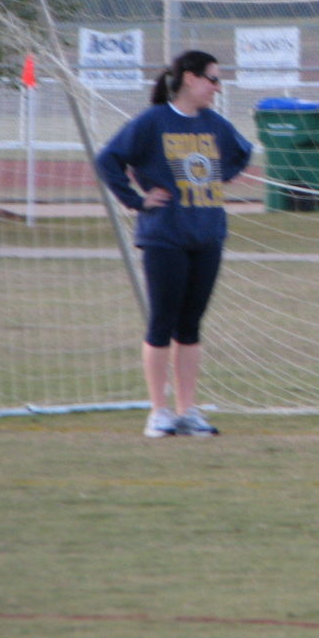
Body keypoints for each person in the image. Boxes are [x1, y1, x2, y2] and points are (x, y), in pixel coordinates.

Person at [96, 50, 253, 438]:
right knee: (162, 323)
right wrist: (137, 200)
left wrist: (223, 174)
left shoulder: (215, 124)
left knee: (191, 325)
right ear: (188, 78)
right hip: (164, 237)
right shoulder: (153, 122)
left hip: (208, 234)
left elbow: (242, 152)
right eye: (212, 79)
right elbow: (108, 160)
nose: (217, 87)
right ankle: (159, 412)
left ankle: (187, 411)